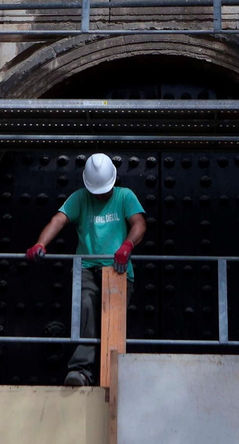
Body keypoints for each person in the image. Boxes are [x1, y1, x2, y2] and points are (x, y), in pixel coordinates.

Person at [25, 152, 147, 386]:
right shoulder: (80, 198)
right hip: (87, 269)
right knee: (88, 312)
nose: (100, 194)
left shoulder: (125, 196)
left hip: (118, 268)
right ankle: (81, 371)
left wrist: (127, 245)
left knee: (112, 321)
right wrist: (41, 243)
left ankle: (115, 375)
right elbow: (58, 220)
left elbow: (139, 223)